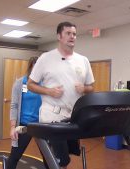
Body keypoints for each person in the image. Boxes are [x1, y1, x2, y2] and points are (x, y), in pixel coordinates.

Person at [27, 21, 95, 169]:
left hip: (72, 117)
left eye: (74, 34)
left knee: (66, 158)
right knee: (59, 159)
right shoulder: (45, 58)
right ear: (59, 36)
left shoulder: (83, 60)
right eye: (68, 33)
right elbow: (30, 84)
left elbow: (91, 87)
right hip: (51, 115)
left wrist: (84, 88)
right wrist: (49, 91)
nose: (72, 37)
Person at [6, 56, 43, 169]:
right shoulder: (20, 83)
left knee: (49, 158)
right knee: (14, 156)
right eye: (35, 68)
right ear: (30, 68)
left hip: (42, 125)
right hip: (24, 125)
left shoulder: (46, 84)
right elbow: (14, 105)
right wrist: (13, 127)